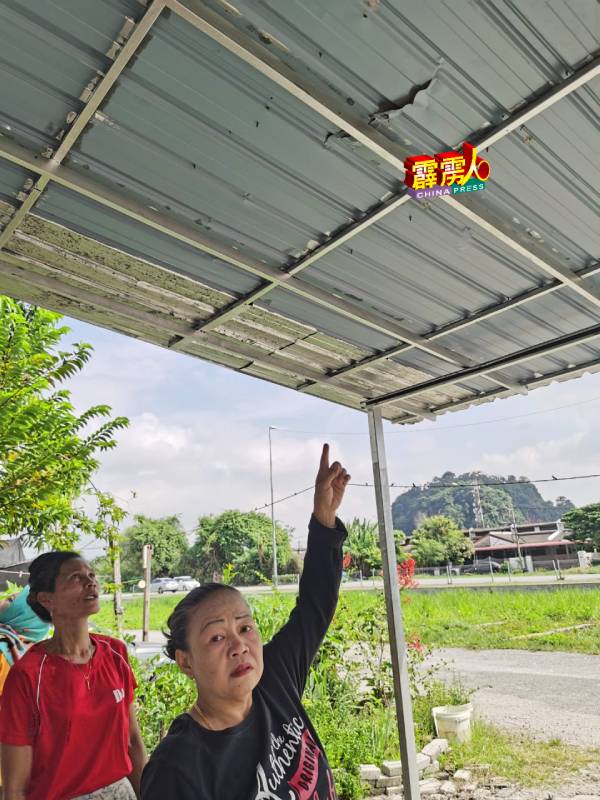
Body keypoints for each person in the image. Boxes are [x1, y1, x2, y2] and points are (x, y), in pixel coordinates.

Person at [141, 443, 351, 800]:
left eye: (244, 627)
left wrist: (324, 521)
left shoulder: (274, 680)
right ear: (186, 660)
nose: (239, 646)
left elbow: (315, 606)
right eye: (216, 638)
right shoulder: (177, 768)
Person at [0, 552, 147, 800]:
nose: (90, 582)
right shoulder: (28, 675)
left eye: (91, 575)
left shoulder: (115, 653)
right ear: (47, 599)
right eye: (75, 578)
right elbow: (15, 786)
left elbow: (132, 741)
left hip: (121, 793)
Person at [0, 587, 50, 694]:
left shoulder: (3, 646)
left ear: (24, 619)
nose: (1, 601)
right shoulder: (35, 661)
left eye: (10, 600)